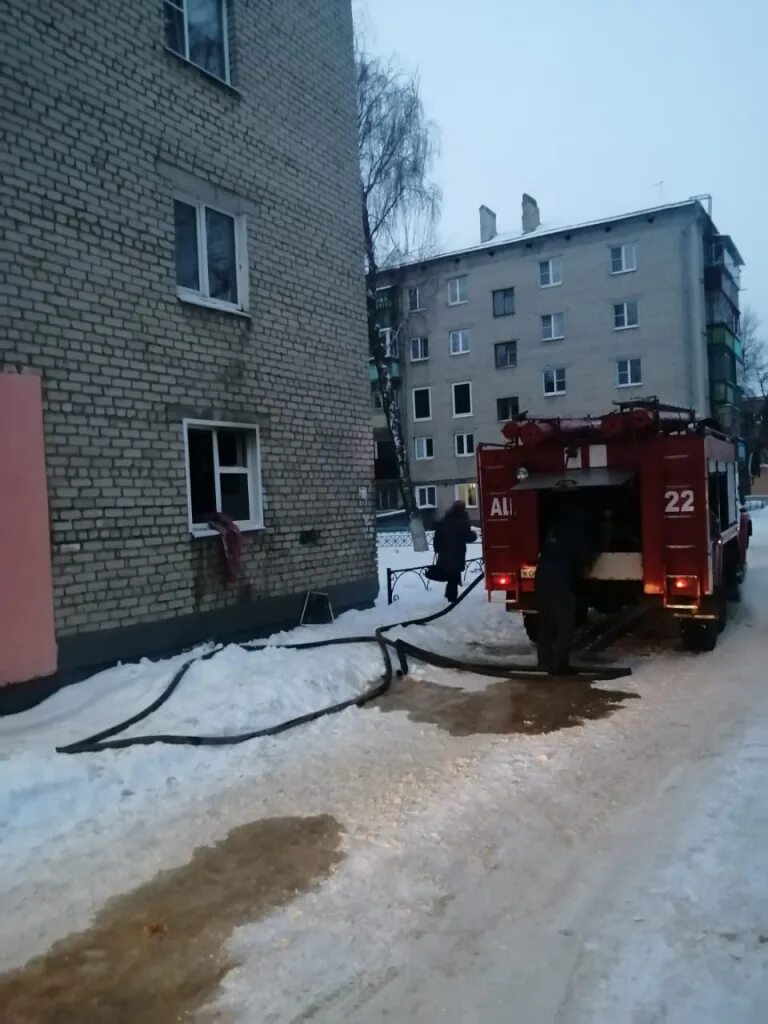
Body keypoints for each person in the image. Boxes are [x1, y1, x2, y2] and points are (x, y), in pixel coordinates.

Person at [535, 498, 598, 673]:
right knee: (565, 626)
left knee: (546, 623)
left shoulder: (555, 526)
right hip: (559, 580)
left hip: (541, 577)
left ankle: (543, 661)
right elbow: (584, 553)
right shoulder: (577, 528)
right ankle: (559, 665)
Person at [433, 500, 478, 603]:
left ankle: (450, 596)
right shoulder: (462, 521)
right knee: (454, 575)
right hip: (457, 553)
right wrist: (475, 535)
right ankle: (452, 598)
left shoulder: (445, 519)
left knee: (451, 574)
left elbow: (437, 536)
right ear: (463, 508)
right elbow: (468, 536)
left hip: (445, 553)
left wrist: (437, 549)